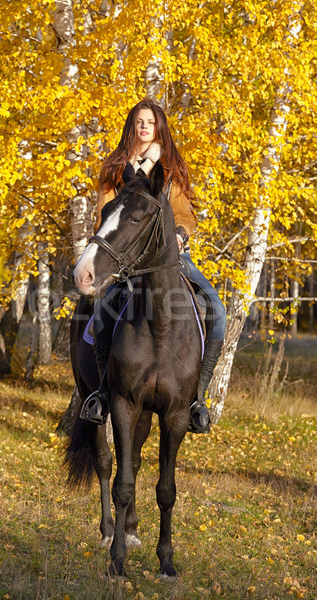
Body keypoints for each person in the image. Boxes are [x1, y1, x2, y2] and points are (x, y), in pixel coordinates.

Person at [80, 99, 226, 433]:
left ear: (158, 128)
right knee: (102, 309)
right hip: (126, 258)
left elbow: (186, 214)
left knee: (217, 312)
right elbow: (104, 213)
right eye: (139, 121)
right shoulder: (115, 168)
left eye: (150, 122)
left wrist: (178, 235)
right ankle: (102, 394)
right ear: (131, 126)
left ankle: (197, 398)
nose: (144, 127)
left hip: (170, 257)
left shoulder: (172, 168)